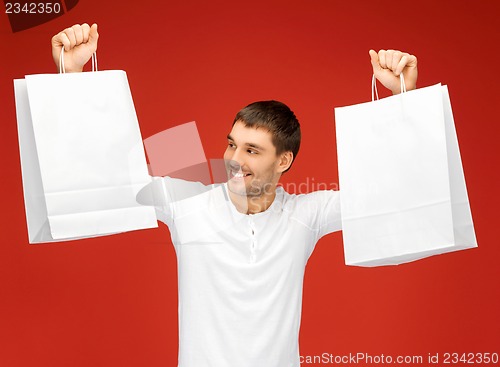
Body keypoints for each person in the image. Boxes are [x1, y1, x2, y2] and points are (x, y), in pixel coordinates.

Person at [51, 24, 418, 367]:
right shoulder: (187, 202)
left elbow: (391, 196)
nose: (233, 160)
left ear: (284, 160)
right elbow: (108, 180)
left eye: (252, 151)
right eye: (231, 144)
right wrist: (73, 77)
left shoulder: (308, 212)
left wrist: (403, 98)